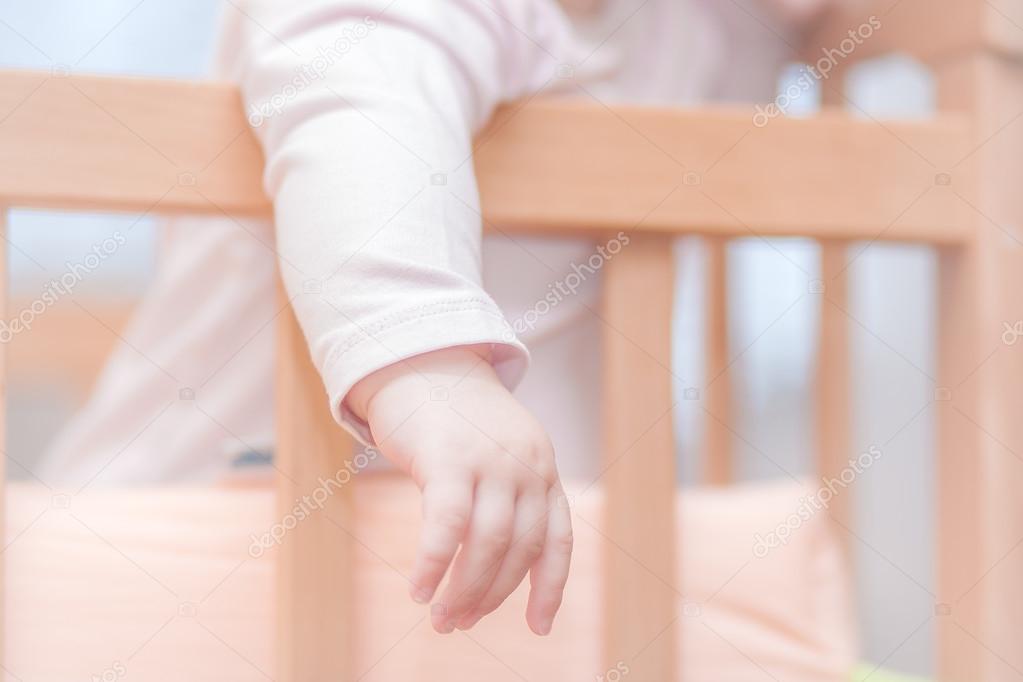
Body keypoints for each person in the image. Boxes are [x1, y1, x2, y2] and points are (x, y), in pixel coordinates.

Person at [39, 0, 835, 636]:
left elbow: (751, 37)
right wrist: (428, 363)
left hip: (461, 571)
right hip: (172, 538)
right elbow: (357, 93)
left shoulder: (680, 27)